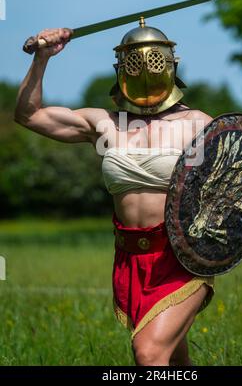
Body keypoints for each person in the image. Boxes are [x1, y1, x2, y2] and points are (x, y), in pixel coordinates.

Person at [15, 20, 215, 366]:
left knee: (150, 353)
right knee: (172, 358)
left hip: (181, 258)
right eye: (135, 62)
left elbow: (236, 188)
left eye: (154, 60)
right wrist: (43, 58)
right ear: (121, 69)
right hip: (131, 258)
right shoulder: (103, 123)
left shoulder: (199, 124)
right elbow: (29, 114)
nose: (146, 69)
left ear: (171, 63)